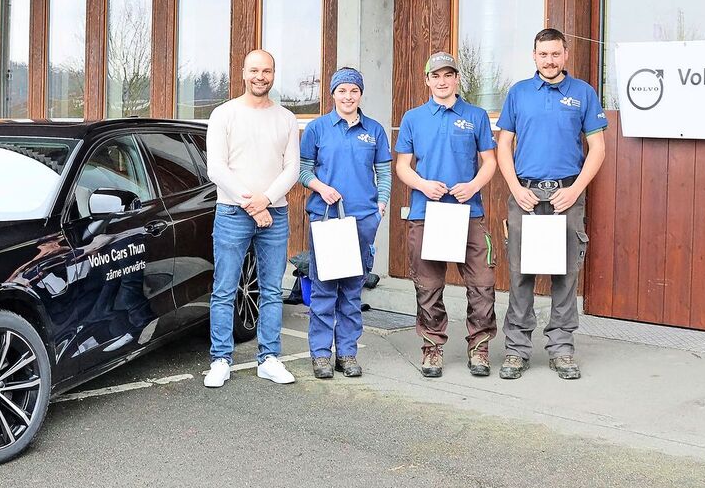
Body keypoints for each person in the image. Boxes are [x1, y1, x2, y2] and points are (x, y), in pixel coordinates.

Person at [496, 28, 607, 380]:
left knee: (565, 273)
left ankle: (562, 349)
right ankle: (516, 350)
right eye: (543, 54)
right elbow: (503, 145)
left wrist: (575, 191)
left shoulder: (583, 93)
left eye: (555, 54)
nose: (549, 60)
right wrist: (515, 188)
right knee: (520, 273)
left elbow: (598, 148)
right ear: (534, 56)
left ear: (565, 54)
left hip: (566, 197)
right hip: (526, 196)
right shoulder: (518, 93)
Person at [394, 52, 498, 378]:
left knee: (482, 284)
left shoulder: (476, 116)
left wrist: (473, 185)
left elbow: (490, 161)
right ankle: (432, 348)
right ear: (427, 80)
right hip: (427, 213)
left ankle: (479, 347)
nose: (442, 81)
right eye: (436, 75)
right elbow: (402, 166)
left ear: (457, 79)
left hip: (469, 213)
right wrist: (423, 185)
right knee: (428, 285)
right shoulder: (413, 118)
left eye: (448, 75)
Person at [203, 49, 300, 388]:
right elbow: (216, 168)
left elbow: (292, 168)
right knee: (224, 289)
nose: (261, 76)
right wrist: (254, 205)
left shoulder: (286, 118)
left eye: (267, 71)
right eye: (255, 70)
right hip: (233, 212)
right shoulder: (223, 114)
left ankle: (269, 358)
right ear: (243, 73)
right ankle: (220, 360)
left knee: (271, 290)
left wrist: (267, 200)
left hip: (275, 212)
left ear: (273, 74)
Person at [299, 67, 391, 379]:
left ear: (360, 94)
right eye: (342, 91)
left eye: (354, 91)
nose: (348, 96)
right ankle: (321, 355)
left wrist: (380, 205)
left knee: (352, 290)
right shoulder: (317, 129)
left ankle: (347, 353)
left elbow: (384, 172)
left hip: (362, 219)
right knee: (324, 289)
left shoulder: (374, 130)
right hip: (326, 219)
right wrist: (321, 188)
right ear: (333, 94)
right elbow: (302, 170)